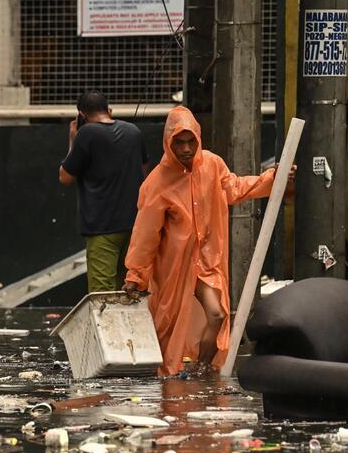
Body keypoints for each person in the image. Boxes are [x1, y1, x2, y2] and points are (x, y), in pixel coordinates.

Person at [124, 106, 294, 376]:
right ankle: (167, 371)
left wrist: (273, 179)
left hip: (206, 260)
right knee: (168, 325)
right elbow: (145, 235)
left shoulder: (212, 165)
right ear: (168, 143)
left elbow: (233, 187)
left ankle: (202, 368)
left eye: (191, 141)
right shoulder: (156, 183)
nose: (187, 148)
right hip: (174, 267)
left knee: (217, 314)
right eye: (179, 142)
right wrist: (136, 273)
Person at [59, 90, 147, 293]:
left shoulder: (86, 134)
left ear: (81, 115)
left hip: (102, 228)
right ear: (109, 110)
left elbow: (65, 176)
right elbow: (145, 173)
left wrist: (73, 138)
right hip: (134, 227)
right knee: (128, 293)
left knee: (102, 297)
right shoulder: (134, 131)